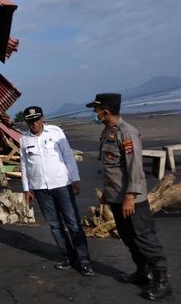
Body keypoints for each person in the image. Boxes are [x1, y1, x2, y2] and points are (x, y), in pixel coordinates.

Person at [87, 93, 172, 301]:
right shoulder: (108, 132)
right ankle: (143, 272)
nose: (94, 113)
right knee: (128, 237)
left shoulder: (127, 133)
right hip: (116, 197)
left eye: (96, 110)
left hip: (132, 200)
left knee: (145, 238)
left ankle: (162, 281)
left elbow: (135, 169)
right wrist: (108, 192)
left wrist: (130, 197)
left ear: (105, 111)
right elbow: (113, 169)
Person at [19, 106, 94, 276]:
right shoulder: (24, 139)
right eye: (30, 121)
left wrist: (75, 178)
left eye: (37, 119)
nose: (34, 123)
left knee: (73, 223)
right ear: (27, 122)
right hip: (40, 189)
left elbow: (68, 155)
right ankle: (69, 257)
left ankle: (84, 261)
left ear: (43, 118)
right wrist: (26, 188)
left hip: (62, 184)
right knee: (54, 226)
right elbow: (24, 164)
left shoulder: (55, 132)